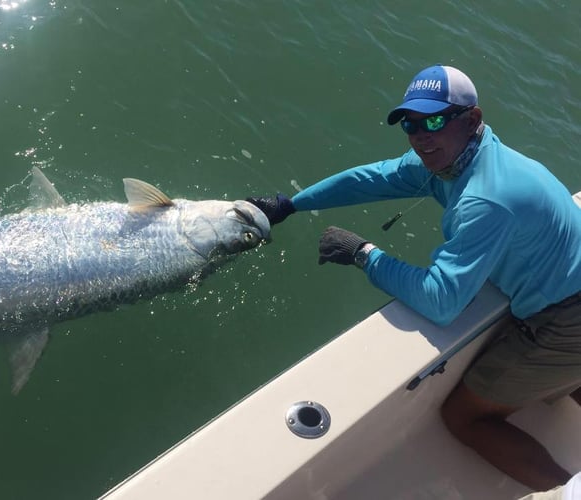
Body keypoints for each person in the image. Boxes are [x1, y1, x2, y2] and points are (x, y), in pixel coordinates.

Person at [247, 64, 581, 492]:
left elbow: (442, 301)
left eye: (435, 121)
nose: (421, 135)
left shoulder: (486, 198)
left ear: (472, 119)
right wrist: (290, 204)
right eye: (411, 124)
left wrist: (363, 253)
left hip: (564, 322)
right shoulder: (459, 157)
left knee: (463, 417)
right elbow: (371, 179)